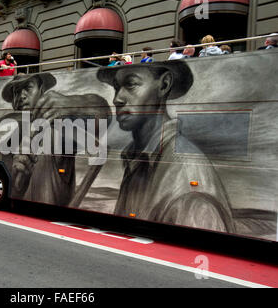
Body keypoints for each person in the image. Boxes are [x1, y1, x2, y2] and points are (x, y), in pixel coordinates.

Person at [96, 61, 235, 233]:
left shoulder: (187, 182)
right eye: (117, 87)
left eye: (131, 84)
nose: (117, 99)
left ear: (164, 85)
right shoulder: (140, 157)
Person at [0, 73, 110, 206]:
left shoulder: (58, 127)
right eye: (16, 92)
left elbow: (103, 114)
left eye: (28, 88)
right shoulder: (10, 138)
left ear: (41, 90)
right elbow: (13, 191)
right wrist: (18, 185)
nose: (21, 96)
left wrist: (71, 104)